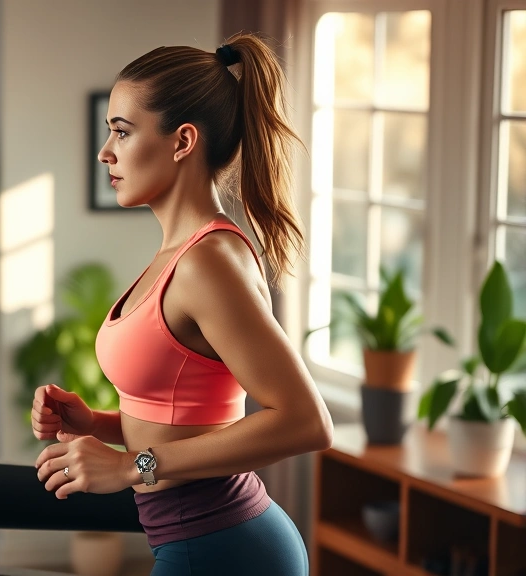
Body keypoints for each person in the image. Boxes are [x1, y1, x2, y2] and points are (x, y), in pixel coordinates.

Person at [32, 32, 334, 576]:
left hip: (224, 546)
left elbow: (307, 420)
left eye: (122, 132)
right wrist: (96, 423)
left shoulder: (207, 263)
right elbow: (188, 420)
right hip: (199, 541)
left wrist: (132, 468)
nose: (106, 152)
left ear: (182, 140)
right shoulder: (180, 254)